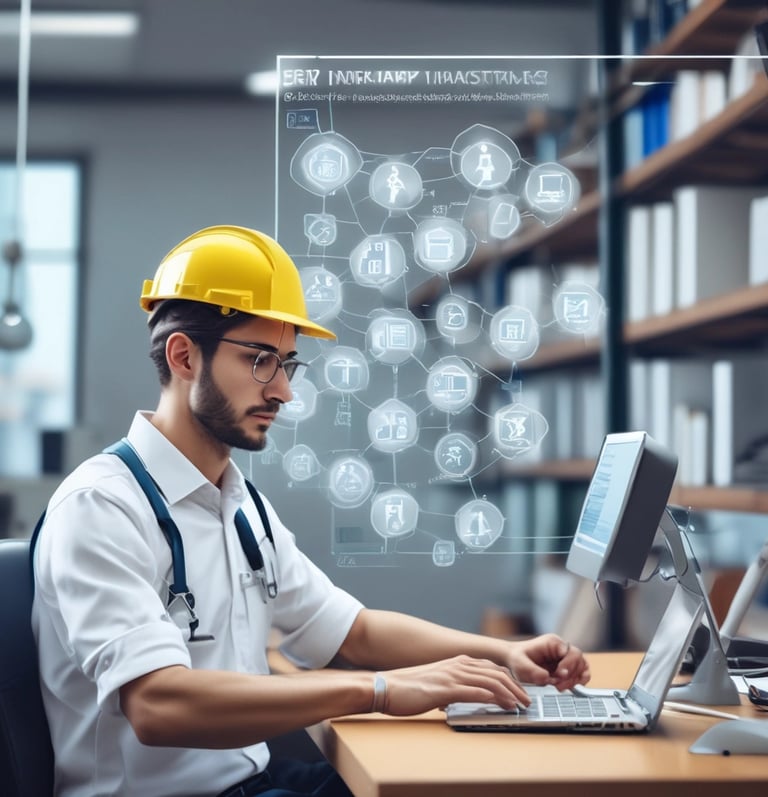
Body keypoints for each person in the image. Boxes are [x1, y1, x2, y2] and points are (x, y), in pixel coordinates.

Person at [31, 225, 590, 797]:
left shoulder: (240, 504)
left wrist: (503, 654)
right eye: (260, 361)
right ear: (184, 356)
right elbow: (156, 703)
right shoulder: (101, 507)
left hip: (251, 780)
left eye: (288, 364)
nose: (283, 392)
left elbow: (352, 631)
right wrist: (380, 691)